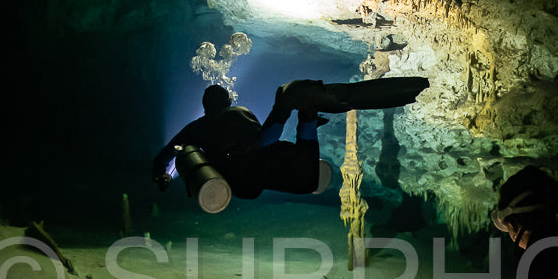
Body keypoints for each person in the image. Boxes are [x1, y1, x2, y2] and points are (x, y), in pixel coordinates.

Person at [153, 76, 429, 212]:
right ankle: (302, 114)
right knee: (306, 180)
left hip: (242, 174)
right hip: (262, 156)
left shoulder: (195, 127)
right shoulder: (238, 111)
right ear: (226, 101)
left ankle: (298, 112)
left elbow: (163, 157)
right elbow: (262, 140)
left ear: (204, 107)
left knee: (305, 181)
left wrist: (163, 175)